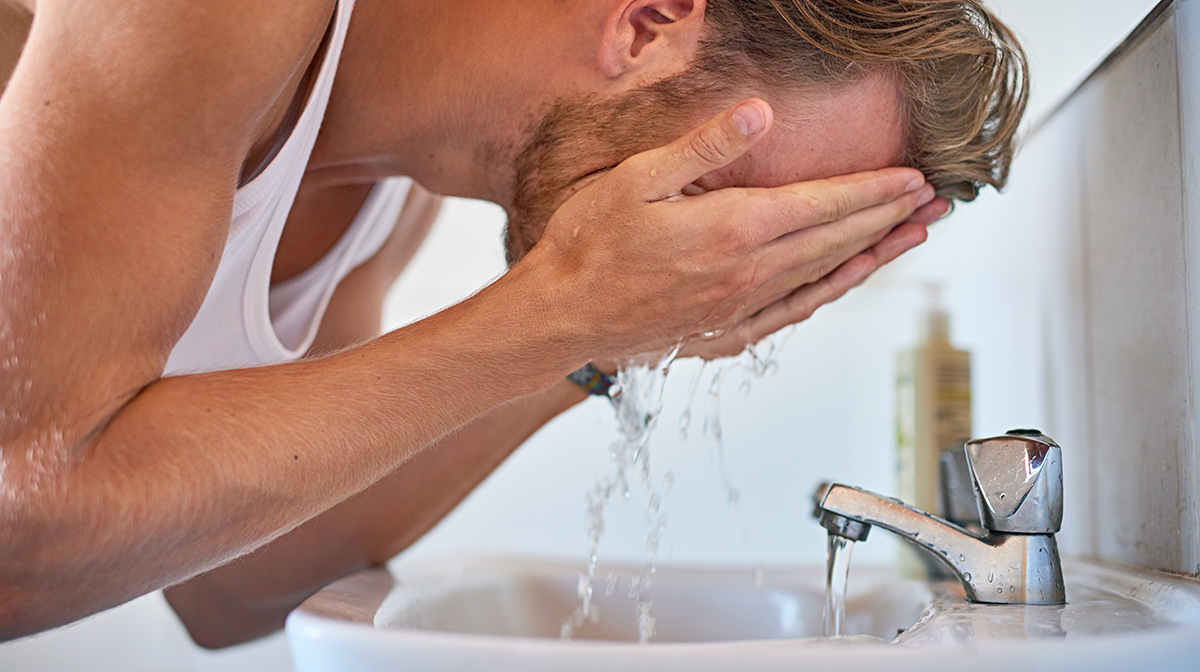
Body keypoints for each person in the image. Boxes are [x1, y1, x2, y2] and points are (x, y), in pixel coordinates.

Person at [0, 0, 1026, 648]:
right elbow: (18, 538)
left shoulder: (389, 206)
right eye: (751, 200)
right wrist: (556, 314)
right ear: (650, 21)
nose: (730, 256)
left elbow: (225, 593)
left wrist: (584, 346)